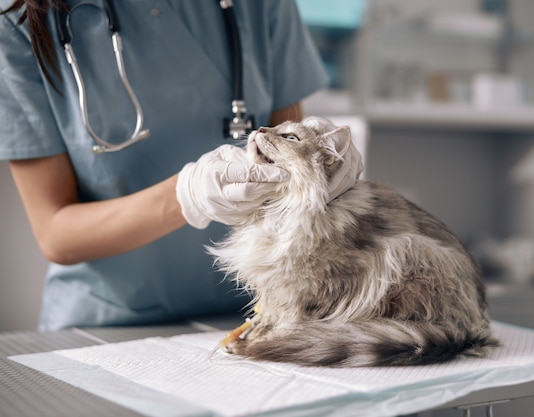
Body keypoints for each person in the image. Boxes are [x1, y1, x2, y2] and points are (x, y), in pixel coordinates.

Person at [0, 0, 360, 331]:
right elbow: (55, 232)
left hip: (254, 314)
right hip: (105, 326)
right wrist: (188, 195)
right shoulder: (15, 22)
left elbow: (283, 145)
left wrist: (320, 169)